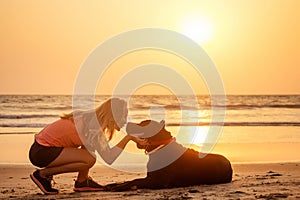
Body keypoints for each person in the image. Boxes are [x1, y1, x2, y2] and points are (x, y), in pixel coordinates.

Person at [28, 97, 147, 195]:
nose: (125, 120)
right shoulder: (93, 128)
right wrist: (128, 137)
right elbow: (109, 157)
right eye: (123, 116)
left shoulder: (91, 121)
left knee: (89, 149)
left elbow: (103, 152)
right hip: (42, 152)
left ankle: (82, 181)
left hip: (41, 149)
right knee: (89, 159)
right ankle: (42, 175)